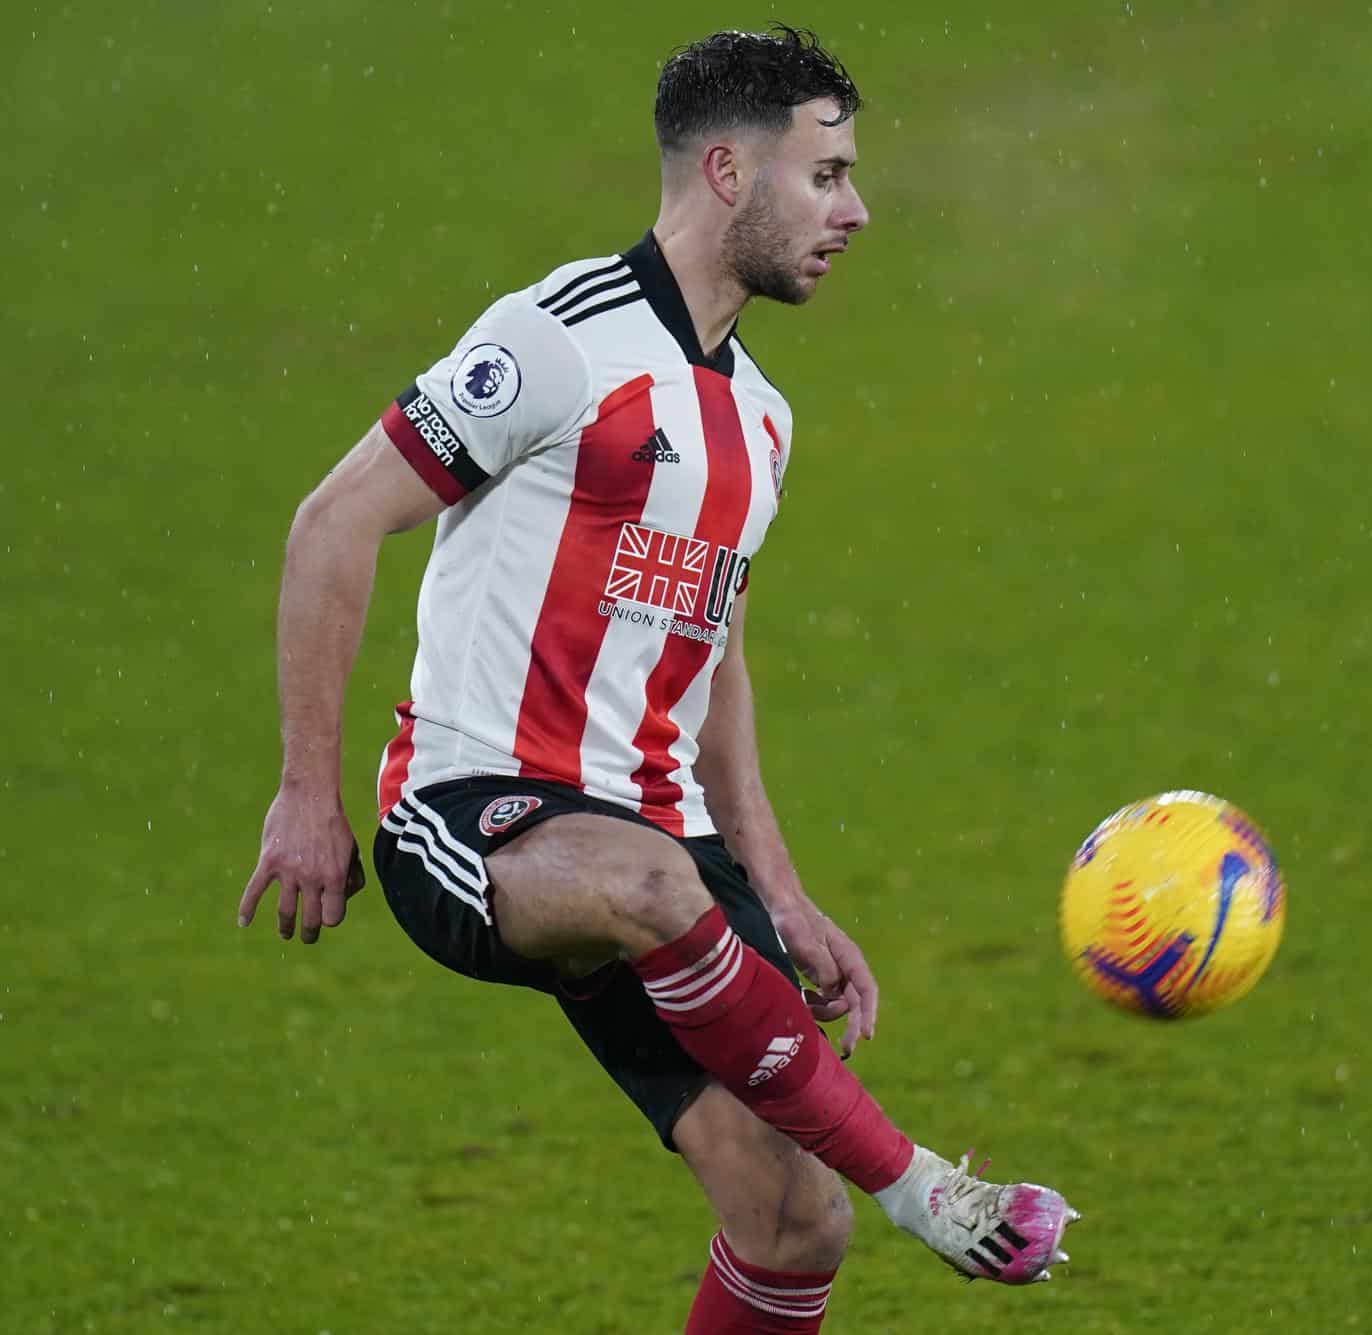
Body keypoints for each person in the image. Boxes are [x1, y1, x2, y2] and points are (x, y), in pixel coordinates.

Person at [237, 24, 1076, 1332]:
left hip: (661, 837)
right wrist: (307, 793)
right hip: (478, 816)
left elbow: (710, 652)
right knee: (645, 884)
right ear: (730, 172)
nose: (855, 210)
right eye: (828, 174)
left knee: (795, 1223)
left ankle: (868, 1189)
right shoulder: (559, 343)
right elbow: (332, 522)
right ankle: (930, 1188)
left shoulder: (764, 422)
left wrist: (782, 889)